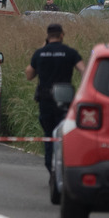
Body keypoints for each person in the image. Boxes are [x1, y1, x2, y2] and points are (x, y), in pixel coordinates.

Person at [25, 23, 85, 174]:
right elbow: (84, 71)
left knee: (49, 134)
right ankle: (63, 165)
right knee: (64, 134)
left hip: (46, 101)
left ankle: (50, 165)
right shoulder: (70, 53)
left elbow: (29, 75)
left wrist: (43, 48)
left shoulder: (40, 53)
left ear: (48, 36)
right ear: (62, 35)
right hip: (64, 101)